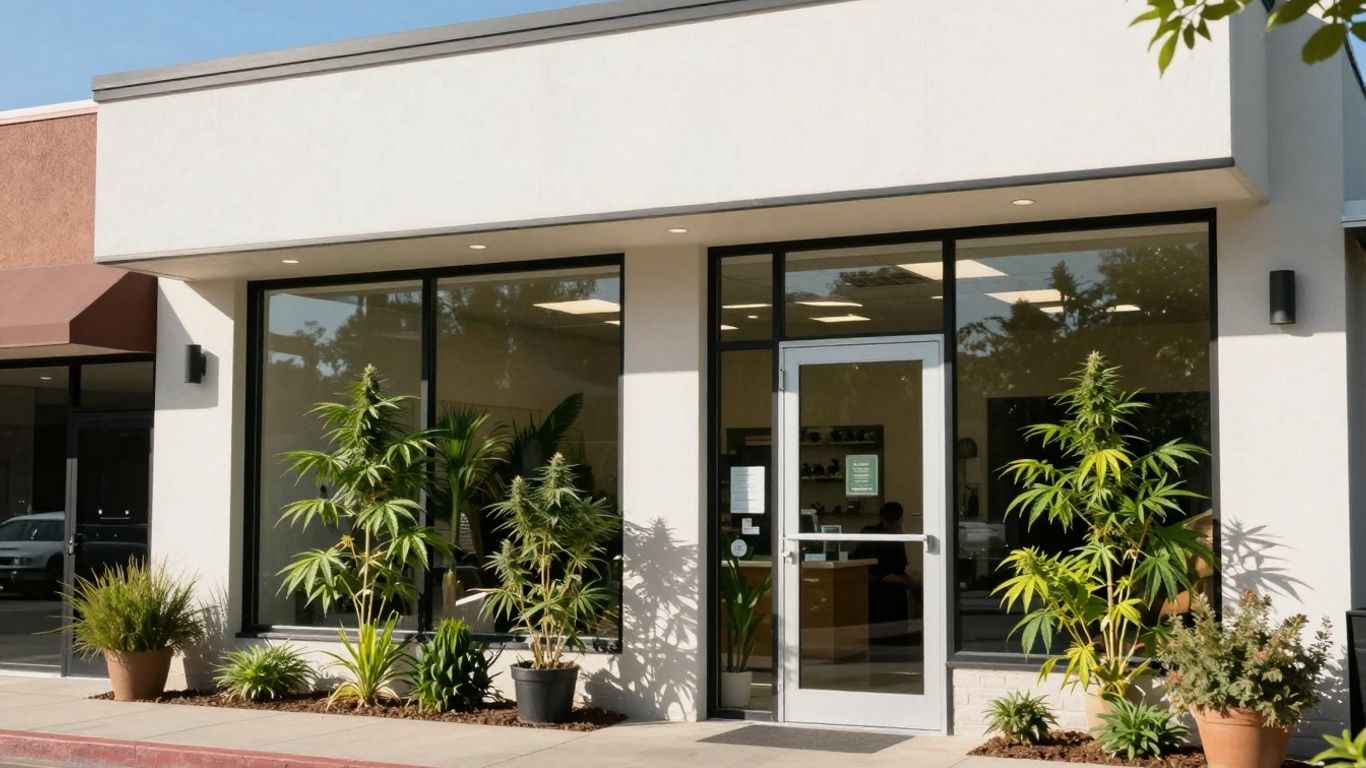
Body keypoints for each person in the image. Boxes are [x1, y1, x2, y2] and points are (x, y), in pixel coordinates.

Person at [852, 502, 915, 633]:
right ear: (900, 519)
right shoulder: (893, 538)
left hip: (870, 587)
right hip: (885, 589)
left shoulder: (869, 532)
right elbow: (896, 570)